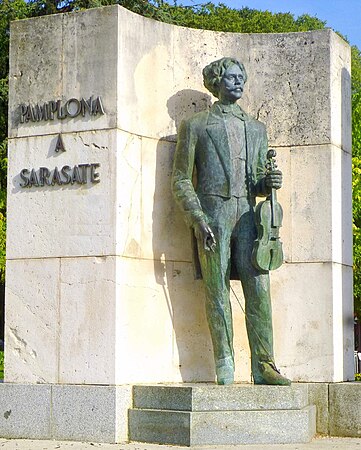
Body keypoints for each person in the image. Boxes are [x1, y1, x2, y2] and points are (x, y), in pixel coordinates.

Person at [172, 57, 291, 385]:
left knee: (259, 288)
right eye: (232, 77)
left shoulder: (256, 128)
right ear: (216, 82)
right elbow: (181, 178)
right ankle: (224, 361)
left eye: (242, 78)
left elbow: (258, 180)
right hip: (213, 218)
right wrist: (197, 218)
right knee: (216, 290)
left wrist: (270, 183)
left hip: (250, 219)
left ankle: (264, 364)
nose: (239, 83)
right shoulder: (196, 125)